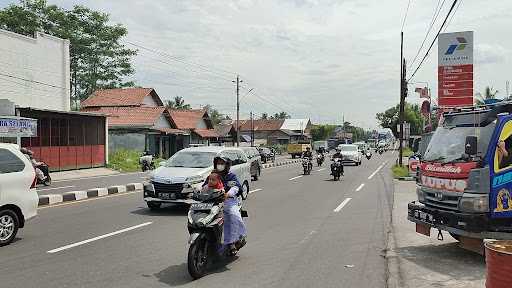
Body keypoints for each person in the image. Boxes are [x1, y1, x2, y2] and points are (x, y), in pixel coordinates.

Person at [208, 156, 247, 255]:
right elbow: (205, 185)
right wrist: (197, 189)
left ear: (227, 165)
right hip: (212, 201)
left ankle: (234, 241)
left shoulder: (231, 176)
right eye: (218, 163)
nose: (220, 165)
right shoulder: (213, 175)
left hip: (228, 201)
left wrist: (228, 194)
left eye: (222, 163)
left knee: (233, 216)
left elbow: (236, 187)